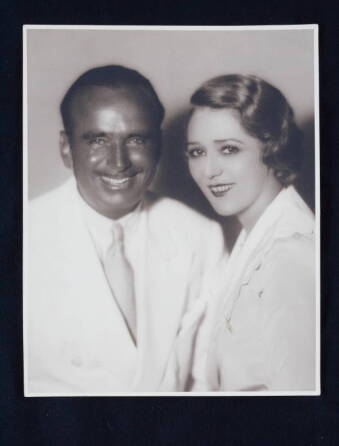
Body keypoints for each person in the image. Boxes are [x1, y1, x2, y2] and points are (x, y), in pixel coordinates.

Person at [26, 65, 226, 395]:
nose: (118, 162)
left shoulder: (201, 237)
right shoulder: (23, 236)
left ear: (158, 146)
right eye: (98, 139)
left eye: (136, 139)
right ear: (66, 147)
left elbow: (205, 381)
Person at [186, 74, 316, 391]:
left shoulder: (289, 258)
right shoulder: (254, 237)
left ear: (272, 147)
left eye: (229, 149)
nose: (208, 171)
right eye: (196, 152)